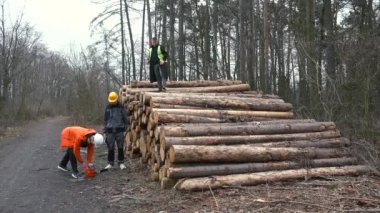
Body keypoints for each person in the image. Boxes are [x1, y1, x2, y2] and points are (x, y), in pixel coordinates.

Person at [103, 91, 129, 170]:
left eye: (113, 101)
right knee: (110, 147)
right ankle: (110, 163)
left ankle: (121, 163)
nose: (112, 103)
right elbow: (105, 120)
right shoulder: (107, 107)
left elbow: (125, 118)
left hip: (119, 130)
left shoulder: (121, 107)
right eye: (111, 101)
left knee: (120, 147)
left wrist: (125, 128)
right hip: (110, 131)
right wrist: (105, 131)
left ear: (117, 99)